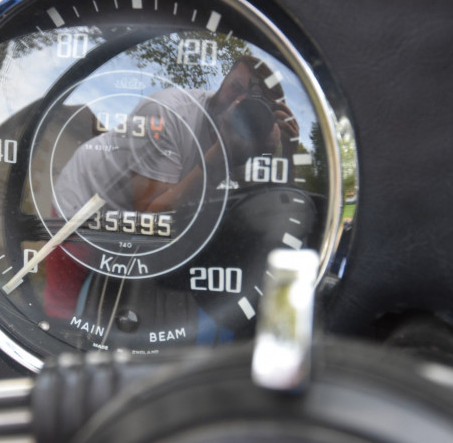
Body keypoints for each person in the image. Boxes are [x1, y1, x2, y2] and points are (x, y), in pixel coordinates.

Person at [43, 55, 299, 319]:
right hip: (88, 200)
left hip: (156, 212)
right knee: (65, 302)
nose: (238, 104)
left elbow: (261, 202)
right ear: (224, 80)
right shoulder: (167, 112)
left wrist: (286, 152)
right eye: (235, 87)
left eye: (256, 104)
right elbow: (150, 220)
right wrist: (223, 153)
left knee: (127, 300)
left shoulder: (256, 140)